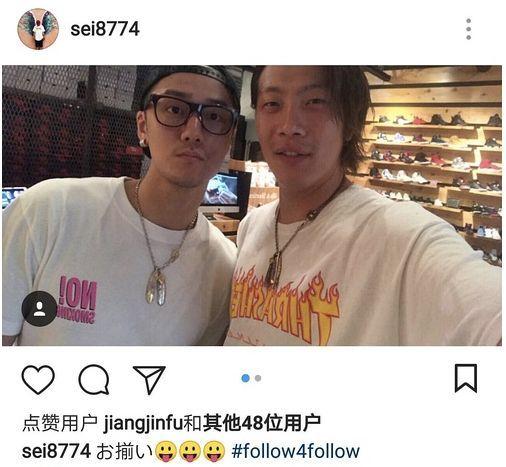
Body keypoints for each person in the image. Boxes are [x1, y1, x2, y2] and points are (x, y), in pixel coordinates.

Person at [225, 65, 501, 346]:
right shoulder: (251, 227)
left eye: (315, 101)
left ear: (350, 122)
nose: (289, 127)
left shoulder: (403, 239)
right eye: (272, 103)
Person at [3, 66, 239, 345]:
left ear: (230, 139)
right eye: (174, 110)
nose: (193, 132)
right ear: (143, 126)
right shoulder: (48, 211)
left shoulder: (224, 267)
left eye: (214, 116)